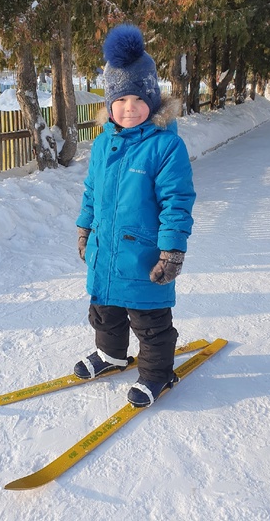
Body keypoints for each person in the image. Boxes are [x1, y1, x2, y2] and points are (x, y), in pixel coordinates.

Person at [74, 24, 196, 407]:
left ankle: (157, 373)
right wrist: (84, 229)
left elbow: (178, 201)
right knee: (104, 312)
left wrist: (172, 251)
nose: (129, 107)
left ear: (153, 100)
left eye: (137, 98)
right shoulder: (101, 144)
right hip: (105, 253)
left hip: (144, 256)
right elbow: (92, 192)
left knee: (150, 322)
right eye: (120, 98)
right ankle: (111, 355)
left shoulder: (166, 147)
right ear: (109, 103)